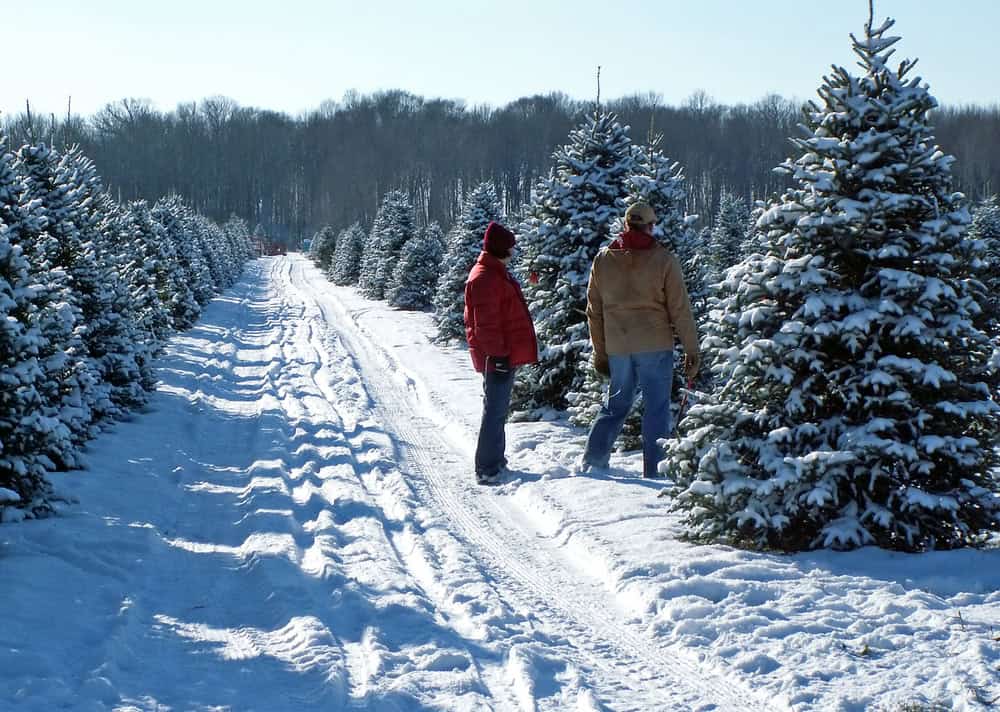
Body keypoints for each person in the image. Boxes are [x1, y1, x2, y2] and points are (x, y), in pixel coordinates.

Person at [579, 201, 700, 479]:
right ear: (650, 226)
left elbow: (593, 312)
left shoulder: (603, 259)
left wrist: (600, 352)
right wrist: (691, 349)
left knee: (616, 404)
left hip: (619, 347)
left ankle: (593, 461)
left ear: (625, 225)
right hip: (655, 345)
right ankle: (655, 470)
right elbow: (680, 309)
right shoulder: (664, 260)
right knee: (656, 409)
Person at [464, 221, 538, 485]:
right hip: (497, 357)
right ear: (500, 249)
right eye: (510, 248)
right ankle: (487, 467)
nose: (513, 253)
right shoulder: (486, 277)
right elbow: (486, 325)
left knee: (497, 409)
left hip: (501, 355)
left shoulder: (495, 272)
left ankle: (495, 460)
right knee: (494, 410)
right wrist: (498, 356)